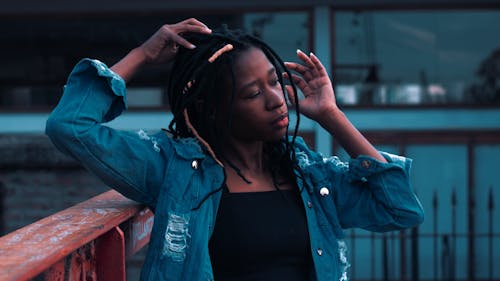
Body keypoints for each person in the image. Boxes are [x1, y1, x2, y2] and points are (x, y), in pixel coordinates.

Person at [46, 18, 424, 281]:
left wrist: (330, 115)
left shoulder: (309, 174)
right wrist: (143, 54)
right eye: (253, 93)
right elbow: (70, 126)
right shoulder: (174, 169)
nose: (277, 100)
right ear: (215, 110)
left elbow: (401, 208)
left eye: (275, 81)